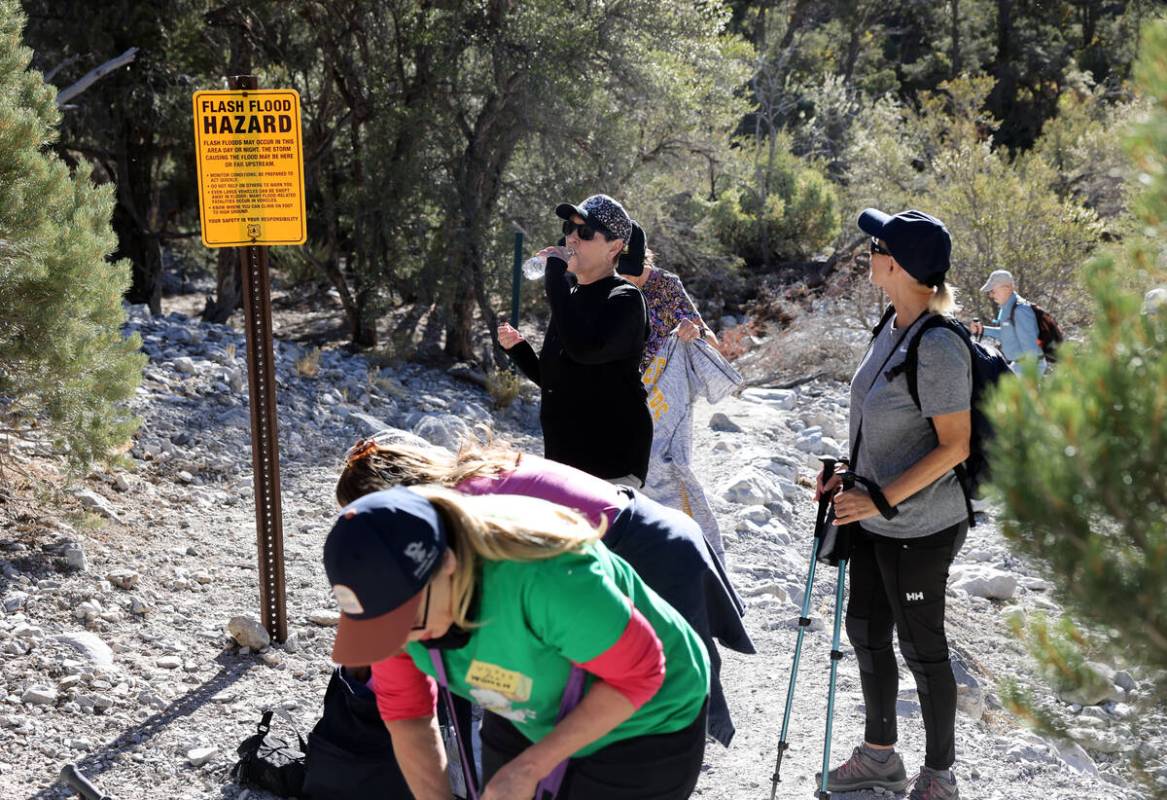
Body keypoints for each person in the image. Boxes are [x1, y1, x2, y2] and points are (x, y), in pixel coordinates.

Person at [336, 435, 754, 747]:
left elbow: (502, 606)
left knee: (651, 701)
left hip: (642, 548)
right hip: (642, 530)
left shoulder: (463, 507)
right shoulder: (464, 479)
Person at [322, 486, 711, 800]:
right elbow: (408, 717)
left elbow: (641, 674)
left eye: (406, 622)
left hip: (646, 721)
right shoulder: (395, 603)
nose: (401, 642)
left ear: (447, 565)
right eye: (382, 627)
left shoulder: (547, 576)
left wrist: (528, 768)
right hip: (527, 705)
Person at [815, 208, 972, 800]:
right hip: (873, 514)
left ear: (898, 266)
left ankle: (939, 776)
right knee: (866, 630)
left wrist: (879, 497)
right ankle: (880, 757)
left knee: (922, 646)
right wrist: (847, 476)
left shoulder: (938, 345)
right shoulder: (892, 323)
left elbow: (955, 446)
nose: (869, 251)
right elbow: (882, 421)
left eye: (876, 244)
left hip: (922, 525)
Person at [497, 194, 652, 487]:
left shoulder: (626, 299)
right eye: (569, 228)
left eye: (584, 231)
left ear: (615, 247)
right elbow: (555, 380)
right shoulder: (573, 297)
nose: (571, 238)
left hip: (611, 460)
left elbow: (585, 351)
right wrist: (519, 349)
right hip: (566, 460)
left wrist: (555, 274)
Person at [614, 225, 718, 374]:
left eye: (627, 272)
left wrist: (696, 332)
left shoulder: (667, 287)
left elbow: (713, 344)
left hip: (662, 390)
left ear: (643, 259)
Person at [968, 269, 1046, 374]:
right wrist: (983, 330)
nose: (991, 295)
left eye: (993, 291)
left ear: (1007, 288)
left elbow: (1031, 349)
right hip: (1018, 365)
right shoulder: (1008, 307)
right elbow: (1007, 333)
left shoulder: (1020, 310)